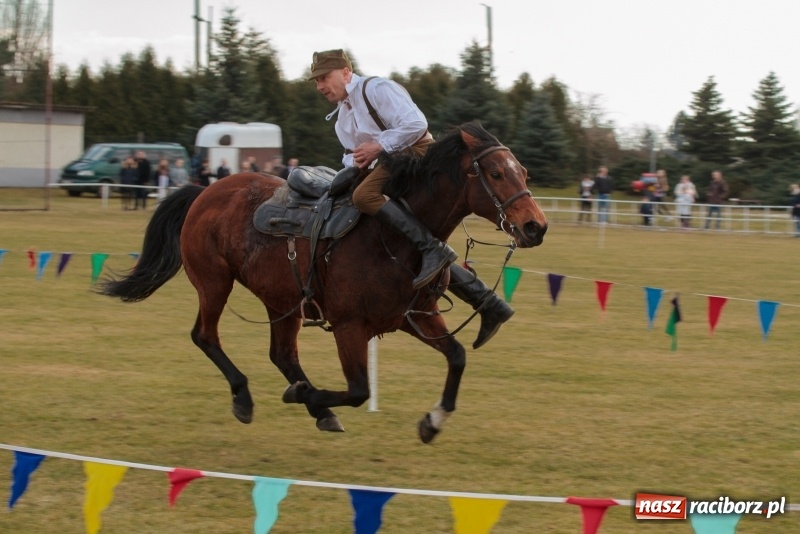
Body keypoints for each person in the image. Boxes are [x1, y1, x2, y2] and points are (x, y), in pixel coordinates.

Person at [308, 48, 513, 349]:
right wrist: (353, 164)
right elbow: (356, 156)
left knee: (365, 196)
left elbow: (417, 125)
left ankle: (430, 248)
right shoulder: (342, 120)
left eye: (324, 77)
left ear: (346, 73)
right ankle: (488, 302)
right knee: (356, 204)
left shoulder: (376, 89)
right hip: (390, 165)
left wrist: (377, 147)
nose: (319, 86)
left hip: (418, 154)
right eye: (316, 81)